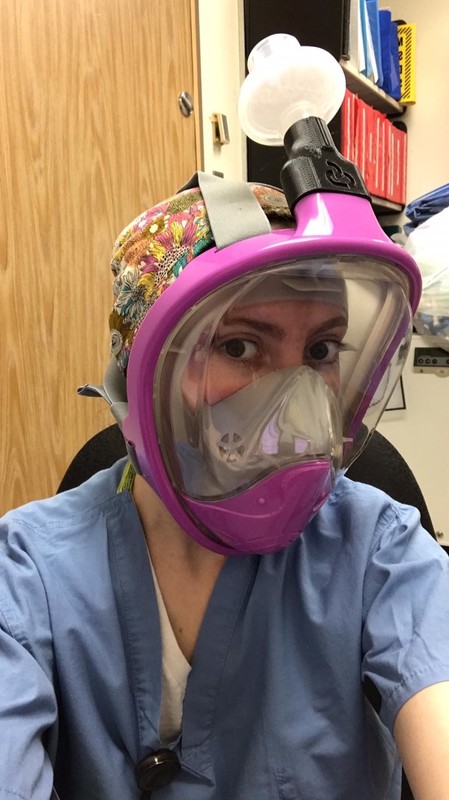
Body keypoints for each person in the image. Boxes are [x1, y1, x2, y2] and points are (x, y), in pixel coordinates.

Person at [2, 171, 449, 800]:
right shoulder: (26, 575)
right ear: (138, 374)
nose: (299, 405)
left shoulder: (381, 551)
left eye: (322, 351)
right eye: (240, 345)